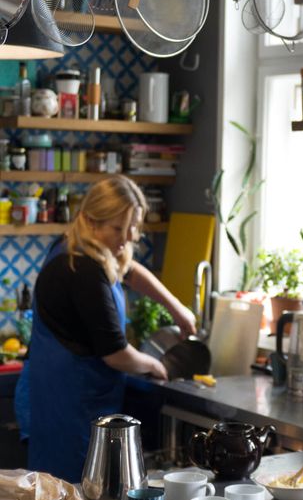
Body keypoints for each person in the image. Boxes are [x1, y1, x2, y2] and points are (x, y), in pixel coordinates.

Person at [16, 175, 196, 483]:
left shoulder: (74, 246)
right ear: (90, 220)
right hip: (72, 408)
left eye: (133, 226)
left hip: (60, 394)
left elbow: (129, 270)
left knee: (61, 494)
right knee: (74, 496)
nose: (128, 237)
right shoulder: (83, 269)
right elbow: (116, 354)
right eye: (118, 228)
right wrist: (155, 364)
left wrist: (175, 306)